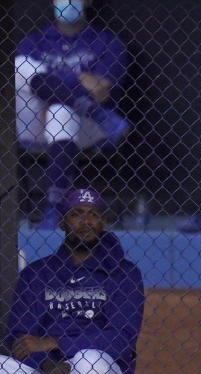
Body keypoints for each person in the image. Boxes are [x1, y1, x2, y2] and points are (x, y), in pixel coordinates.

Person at [0, 188, 144, 374]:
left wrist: (57, 343)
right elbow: (20, 337)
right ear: (62, 222)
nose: (86, 221)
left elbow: (121, 337)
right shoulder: (37, 273)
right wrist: (47, 363)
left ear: (103, 222)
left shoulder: (124, 273)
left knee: (86, 361)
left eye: (94, 214)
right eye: (77, 214)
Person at [15, 0, 129, 229]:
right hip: (36, 123)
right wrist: (79, 82)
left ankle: (55, 208)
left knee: (61, 111)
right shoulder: (35, 40)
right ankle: (82, 106)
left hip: (88, 129)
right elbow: (22, 78)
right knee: (19, 65)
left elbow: (100, 90)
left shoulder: (107, 42)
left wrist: (51, 90)